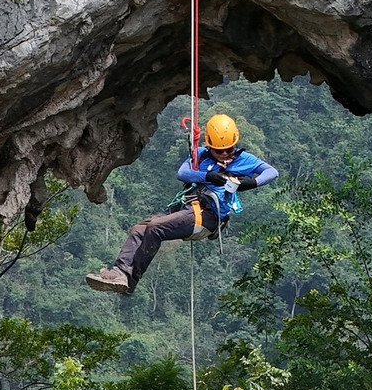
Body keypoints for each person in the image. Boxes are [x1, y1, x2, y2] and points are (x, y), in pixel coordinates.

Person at [86, 113, 278, 295]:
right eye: (220, 150)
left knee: (155, 228)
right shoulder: (201, 155)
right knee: (138, 229)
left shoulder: (244, 159)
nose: (225, 153)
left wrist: (250, 183)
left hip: (207, 215)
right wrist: (207, 176)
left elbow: (271, 172)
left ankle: (130, 281)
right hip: (186, 205)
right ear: (210, 146)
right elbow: (183, 173)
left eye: (230, 149)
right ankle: (119, 273)